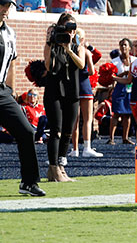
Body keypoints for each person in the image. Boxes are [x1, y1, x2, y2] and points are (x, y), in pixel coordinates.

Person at [0, 0, 45, 195]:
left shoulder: (10, 33)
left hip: (2, 93)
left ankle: (29, 182)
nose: (5, 9)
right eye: (2, 4)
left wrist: (11, 90)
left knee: (27, 132)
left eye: (7, 5)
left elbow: (12, 64)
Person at [44, 13, 85, 182]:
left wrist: (69, 48)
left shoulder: (78, 46)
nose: (70, 32)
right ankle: (53, 168)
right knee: (57, 130)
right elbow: (48, 65)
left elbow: (81, 65)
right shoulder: (52, 45)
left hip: (72, 92)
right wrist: (51, 43)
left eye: (72, 28)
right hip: (54, 91)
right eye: (66, 27)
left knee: (68, 131)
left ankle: (60, 167)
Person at [69, 28, 103, 158]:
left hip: (73, 86)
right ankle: (87, 147)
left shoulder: (70, 52)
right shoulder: (86, 51)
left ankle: (75, 149)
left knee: (74, 120)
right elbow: (92, 72)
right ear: (82, 39)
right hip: (84, 86)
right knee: (88, 119)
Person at [114, 39, 137, 146]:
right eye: (135, 46)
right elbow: (128, 80)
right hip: (134, 94)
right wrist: (114, 78)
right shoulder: (133, 63)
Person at [108, 38, 136, 145]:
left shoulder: (134, 60)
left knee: (127, 114)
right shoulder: (114, 61)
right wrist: (123, 73)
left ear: (129, 47)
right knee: (116, 113)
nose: (123, 47)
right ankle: (111, 138)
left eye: (125, 45)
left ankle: (125, 137)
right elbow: (111, 76)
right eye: (121, 45)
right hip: (119, 87)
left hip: (131, 88)